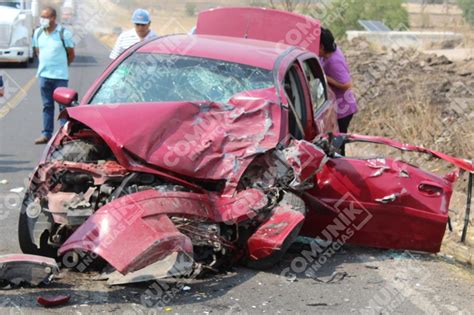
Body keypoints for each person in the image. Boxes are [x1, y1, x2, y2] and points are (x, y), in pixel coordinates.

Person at [32, 6, 75, 144]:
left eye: (46, 17)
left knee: (63, 107)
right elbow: (38, 51)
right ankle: (46, 133)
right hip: (44, 75)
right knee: (47, 105)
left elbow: (71, 53)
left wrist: (63, 66)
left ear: (53, 18)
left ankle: (63, 134)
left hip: (60, 77)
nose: (43, 19)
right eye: (42, 17)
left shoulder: (64, 33)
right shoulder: (38, 33)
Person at [318, 27, 357, 155]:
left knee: (338, 145)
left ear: (322, 46)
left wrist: (325, 78)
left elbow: (347, 85)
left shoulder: (334, 62)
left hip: (343, 109)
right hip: (336, 107)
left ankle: (342, 169)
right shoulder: (327, 53)